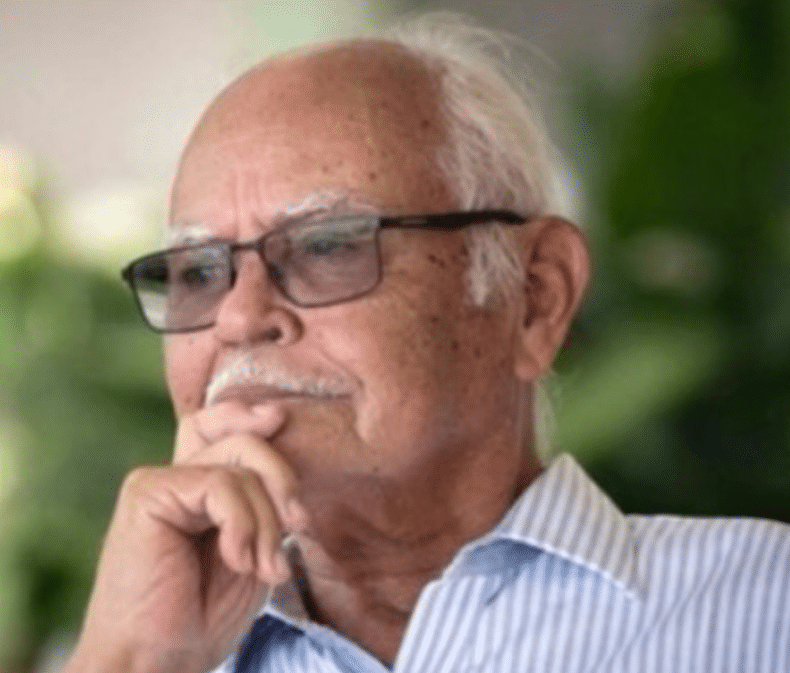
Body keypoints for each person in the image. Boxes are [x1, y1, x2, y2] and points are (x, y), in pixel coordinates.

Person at [66, 15, 790, 673]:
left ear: (534, 297)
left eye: (326, 246)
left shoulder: (763, 607)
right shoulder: (152, 644)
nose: (238, 318)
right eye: (197, 271)